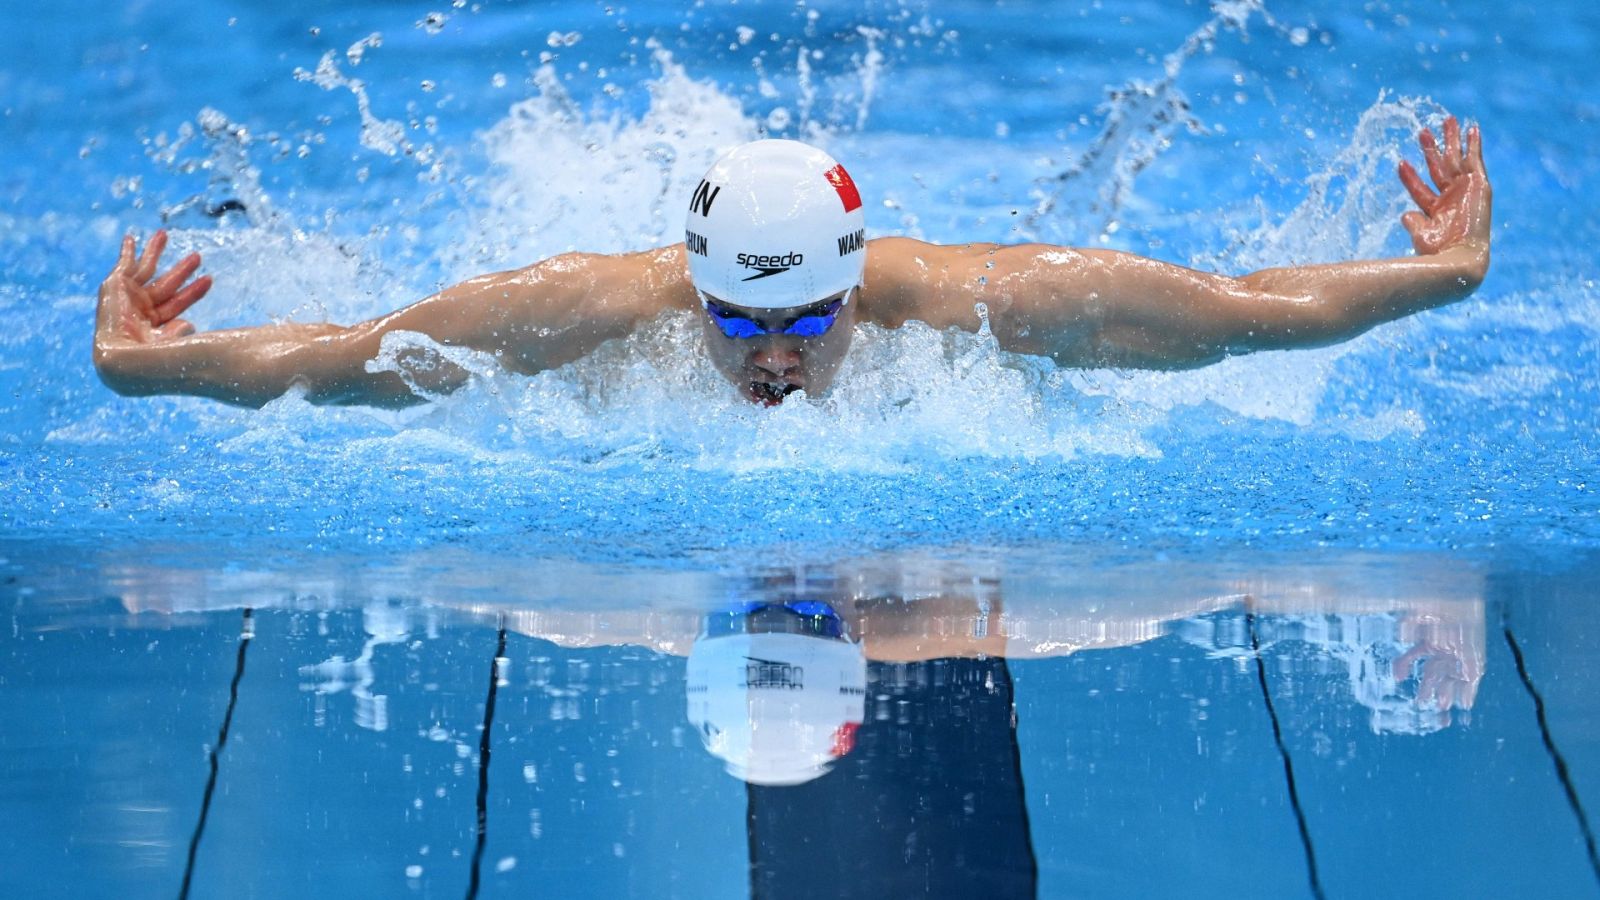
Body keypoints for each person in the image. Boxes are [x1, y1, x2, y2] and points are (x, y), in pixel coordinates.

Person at [92, 118, 1491, 408]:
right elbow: (345, 359)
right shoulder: (580, 312)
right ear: (693, 285)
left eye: (811, 318)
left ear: (855, 279)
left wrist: (1438, 277)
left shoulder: (969, 305)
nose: (775, 354)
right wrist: (147, 371)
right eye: (742, 318)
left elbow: (1234, 321)